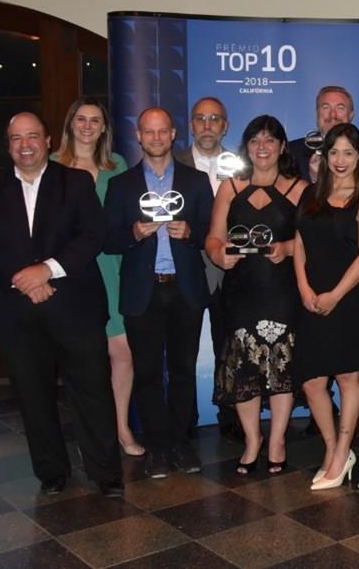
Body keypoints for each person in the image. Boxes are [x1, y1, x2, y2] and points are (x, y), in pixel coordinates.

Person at [0, 112, 123, 497]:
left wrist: (46, 270)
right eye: (16, 138)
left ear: (48, 140)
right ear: (8, 145)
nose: (25, 145)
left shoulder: (76, 182)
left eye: (32, 136)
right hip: (16, 311)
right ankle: (51, 472)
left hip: (75, 310)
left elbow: (92, 235)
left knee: (92, 394)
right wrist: (24, 278)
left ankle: (105, 473)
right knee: (33, 398)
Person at [105, 107, 213, 479]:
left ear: (173, 134)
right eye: (148, 132)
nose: (156, 138)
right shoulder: (121, 185)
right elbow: (108, 240)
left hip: (185, 288)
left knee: (183, 370)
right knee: (148, 373)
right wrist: (133, 234)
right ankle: (157, 448)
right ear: (139, 136)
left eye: (162, 131)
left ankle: (180, 443)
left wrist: (192, 234)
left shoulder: (196, 181)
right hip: (142, 290)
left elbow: (211, 231)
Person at [206, 115, 306, 475]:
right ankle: (253, 441)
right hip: (240, 293)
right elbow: (213, 237)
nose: (262, 147)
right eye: (254, 140)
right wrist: (220, 254)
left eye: (269, 140)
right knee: (244, 369)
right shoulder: (230, 187)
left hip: (283, 292)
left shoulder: (300, 189)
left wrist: (287, 248)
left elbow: (311, 242)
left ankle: (277, 441)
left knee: (281, 368)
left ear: (282, 146)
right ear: (246, 147)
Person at [50, 98, 142, 457]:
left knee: (123, 352)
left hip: (111, 267)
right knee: (80, 359)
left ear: (104, 127)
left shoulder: (116, 165)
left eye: (95, 120)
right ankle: (91, 434)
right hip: (69, 271)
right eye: (81, 119)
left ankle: (120, 428)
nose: (87, 126)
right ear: (70, 124)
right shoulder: (53, 165)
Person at [294, 123, 359, 490]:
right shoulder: (310, 193)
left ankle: (344, 450)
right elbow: (299, 242)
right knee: (312, 381)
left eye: (348, 152)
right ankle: (333, 449)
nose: (340, 160)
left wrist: (335, 295)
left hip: (348, 299)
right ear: (324, 156)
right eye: (334, 152)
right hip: (311, 297)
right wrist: (303, 287)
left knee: (347, 377)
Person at [173, 96, 240, 440]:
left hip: (231, 272)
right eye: (200, 118)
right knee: (183, 351)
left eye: (215, 118)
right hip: (185, 269)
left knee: (229, 348)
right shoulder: (172, 164)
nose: (208, 125)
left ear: (225, 125)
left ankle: (230, 416)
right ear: (191, 125)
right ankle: (184, 419)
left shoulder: (242, 166)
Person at [290, 85, 359, 189]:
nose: (333, 115)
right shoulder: (294, 150)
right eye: (326, 107)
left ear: (351, 115)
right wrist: (314, 181)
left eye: (340, 108)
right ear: (317, 114)